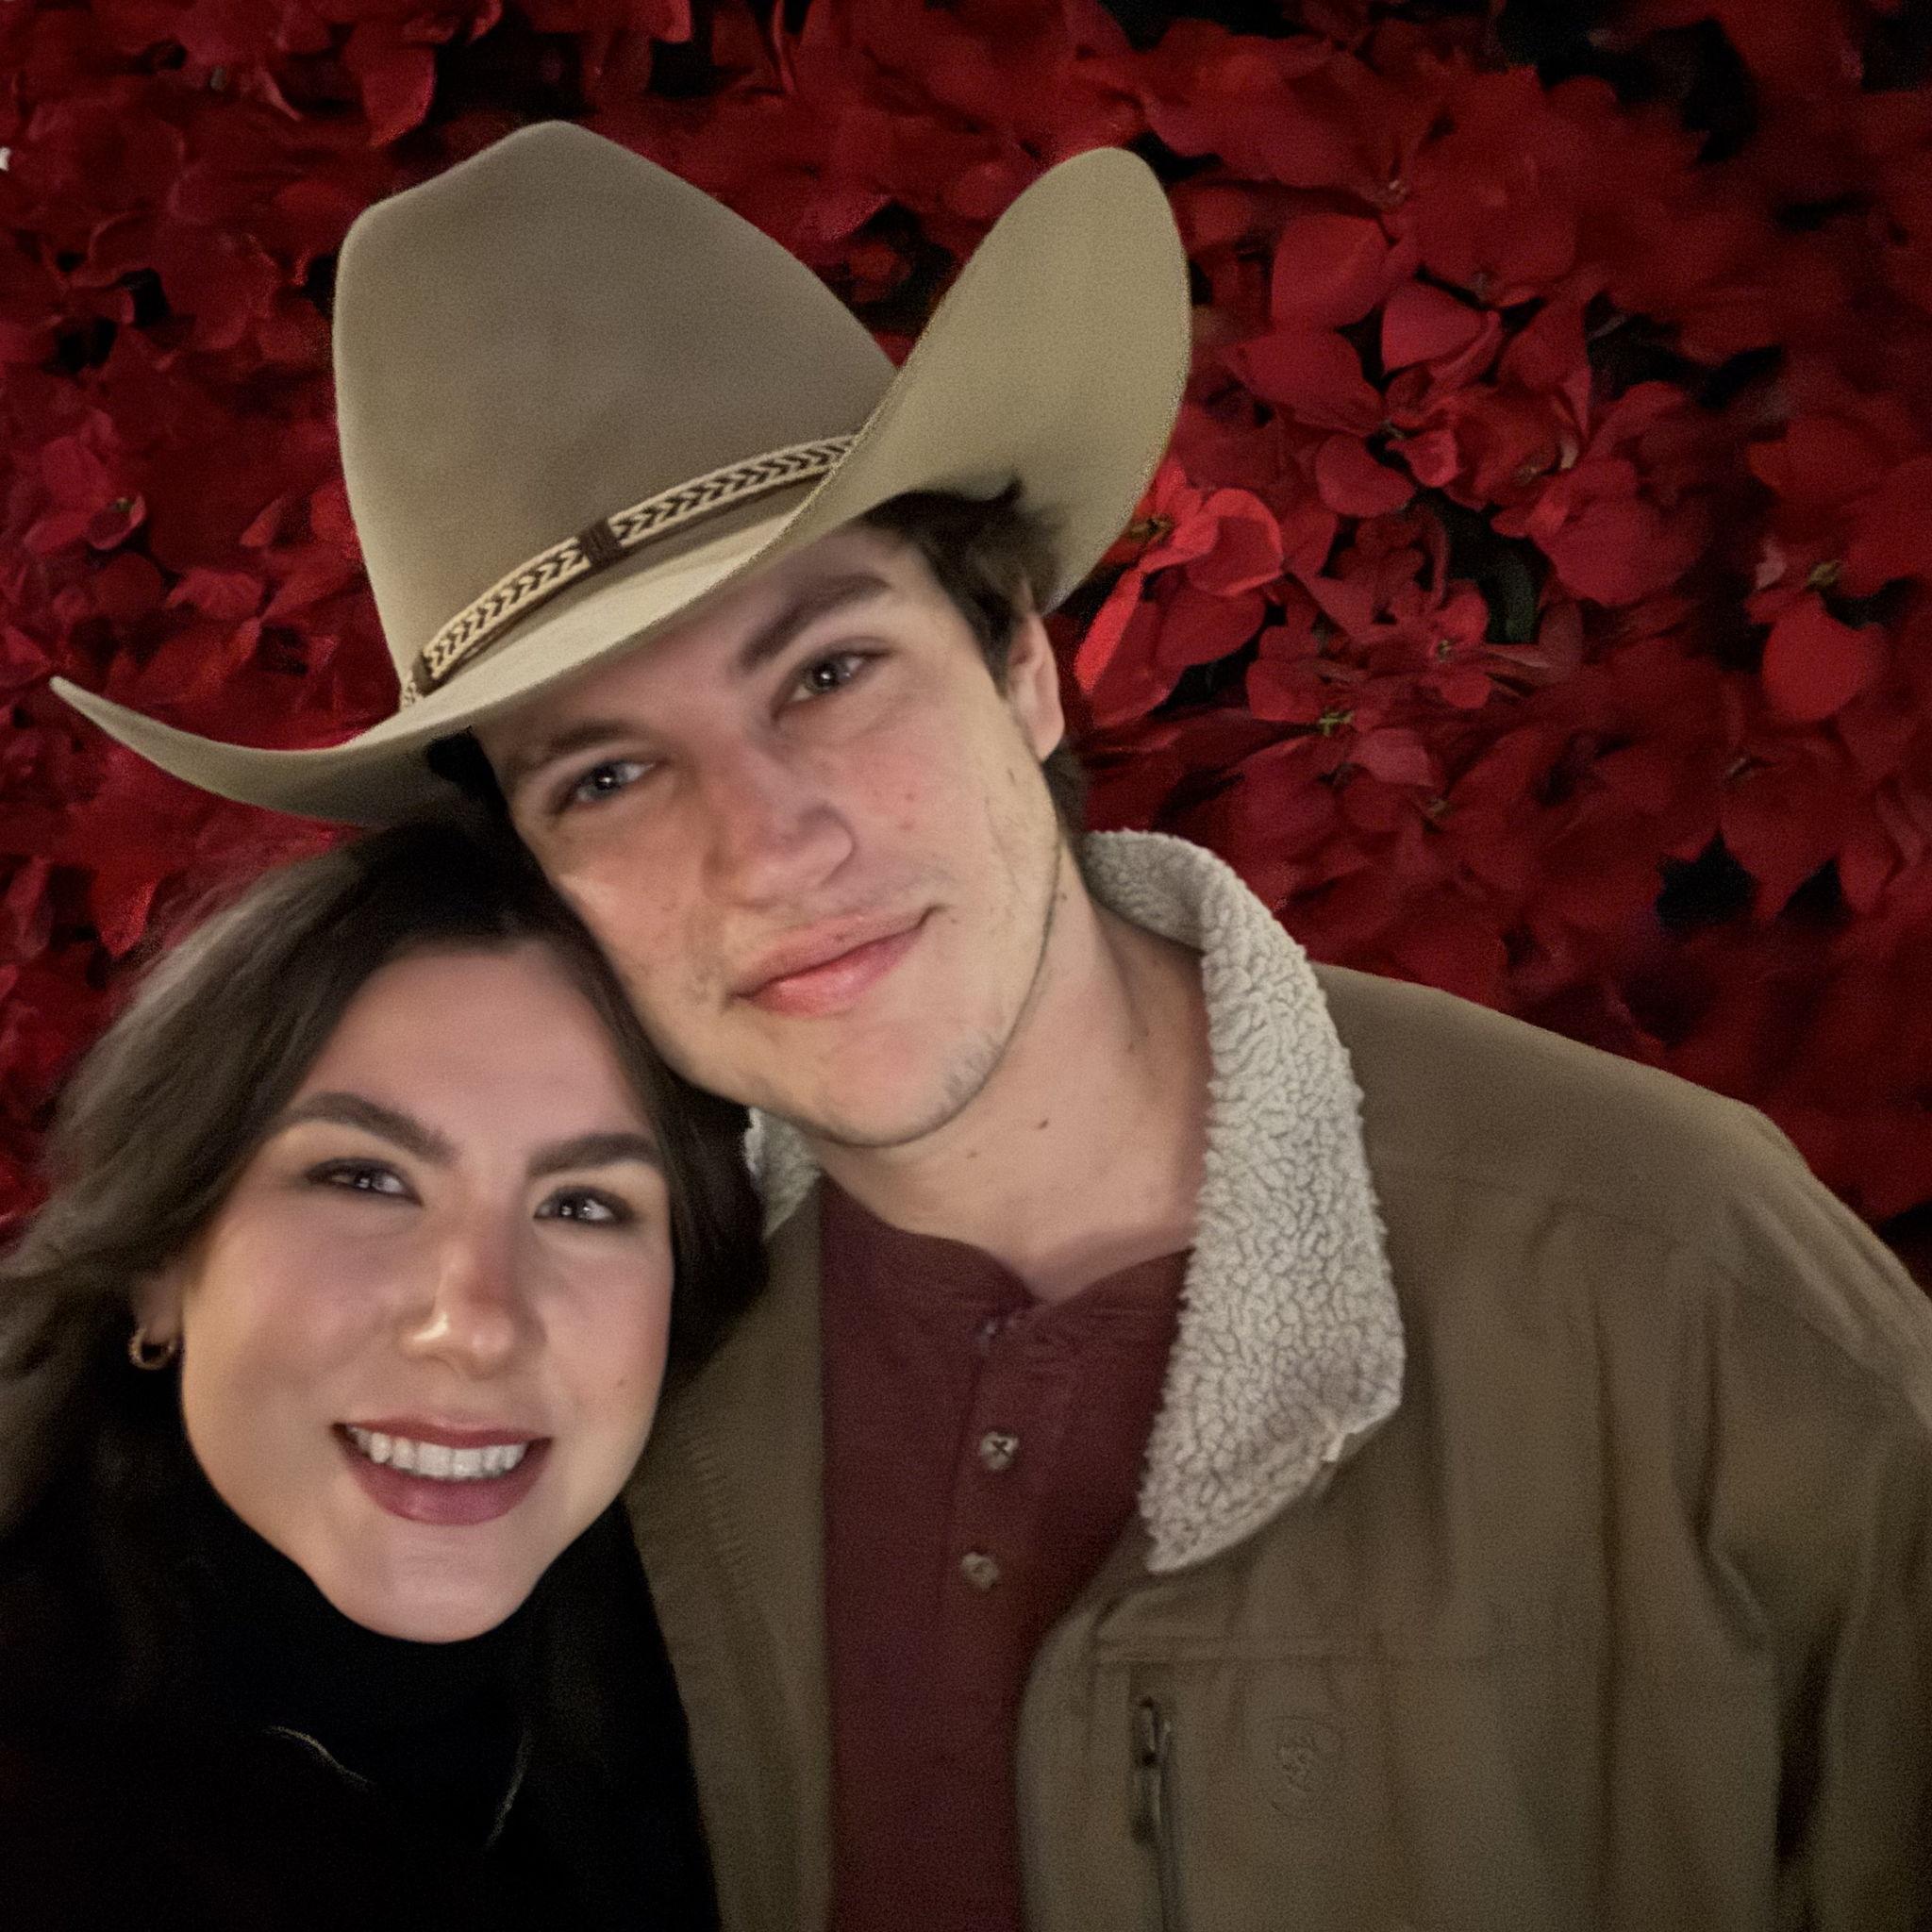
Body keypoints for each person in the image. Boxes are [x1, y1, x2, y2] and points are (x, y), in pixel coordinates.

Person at [52, 122, 1932, 1930]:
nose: (768, 846)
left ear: (1022, 657)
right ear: (545, 872)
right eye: (611, 773)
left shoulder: (1673, 1271)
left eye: (832, 667)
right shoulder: (607, 1335)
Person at [0, 813, 761, 1930]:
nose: (477, 1322)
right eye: (365, 1179)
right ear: (162, 1262)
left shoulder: (755, 1719)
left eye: (585, 1205)